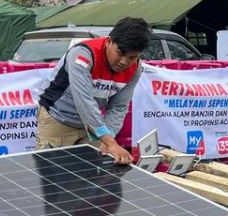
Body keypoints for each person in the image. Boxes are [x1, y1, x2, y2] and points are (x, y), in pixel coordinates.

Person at [36, 16, 151, 164]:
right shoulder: (83, 55)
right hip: (58, 119)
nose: (124, 62)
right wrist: (110, 142)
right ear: (109, 41)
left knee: (90, 177)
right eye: (120, 53)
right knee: (51, 176)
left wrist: (108, 137)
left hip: (90, 127)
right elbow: (84, 102)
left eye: (132, 57)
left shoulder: (135, 69)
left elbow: (118, 107)